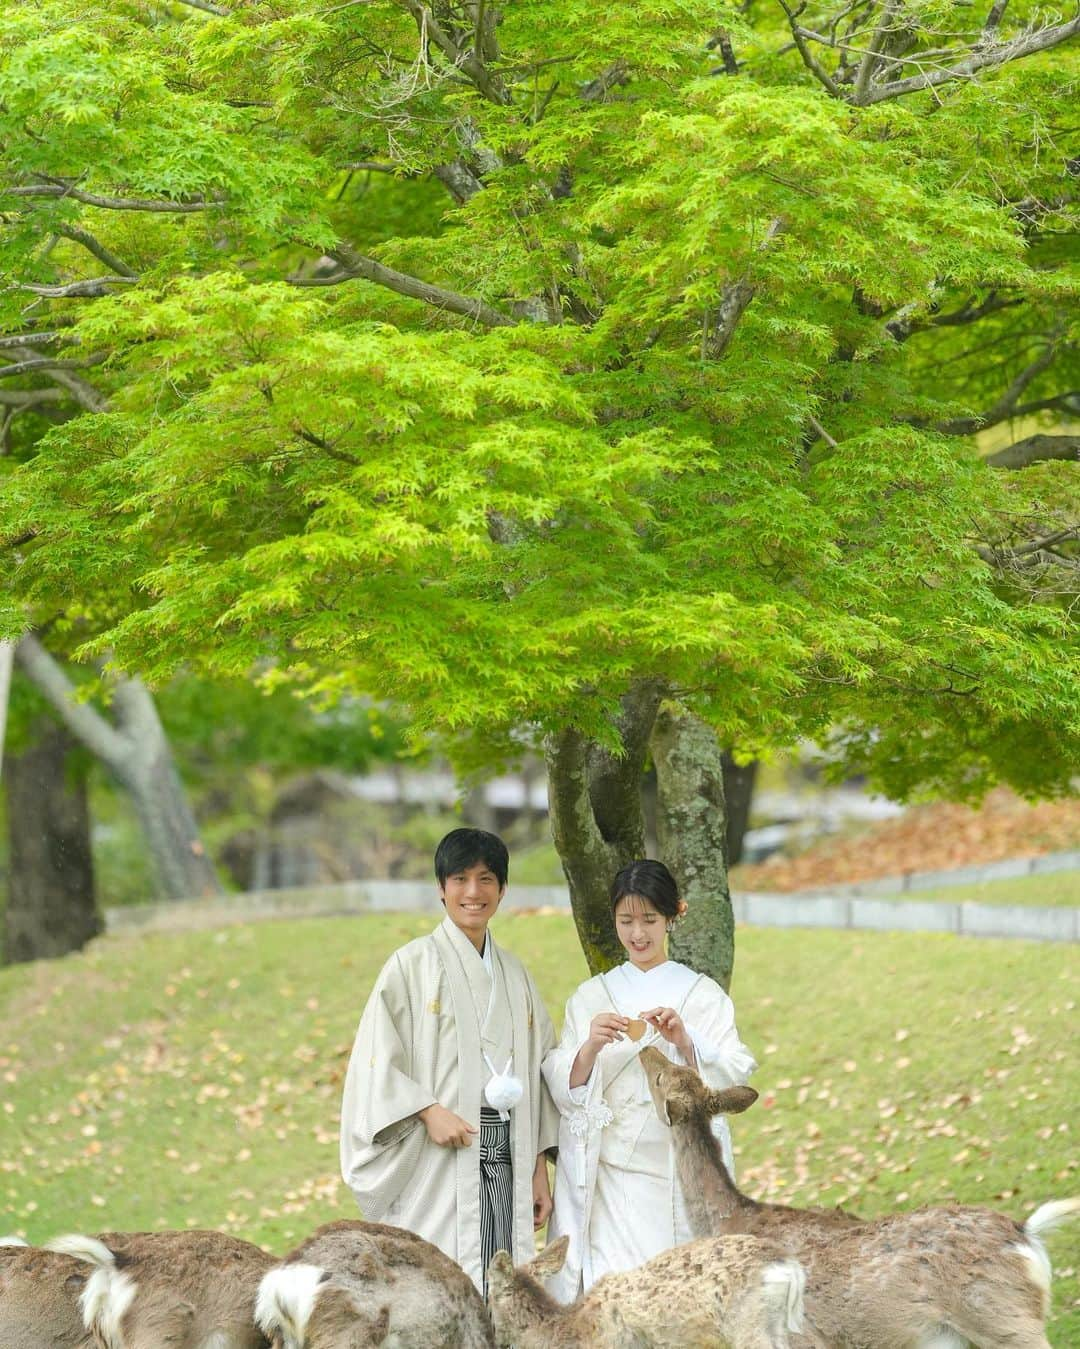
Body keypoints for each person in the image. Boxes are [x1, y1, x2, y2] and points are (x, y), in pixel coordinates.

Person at [339, 827, 559, 1294]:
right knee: (440, 1288)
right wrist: (427, 1109)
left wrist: (538, 1166)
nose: (473, 892)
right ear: (441, 888)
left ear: (502, 889)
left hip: (507, 1155)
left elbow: (540, 1069)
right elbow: (374, 1061)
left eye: (485, 879)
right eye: (459, 879)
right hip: (440, 1154)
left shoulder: (516, 975)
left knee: (503, 1289)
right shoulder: (410, 965)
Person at [542, 858, 757, 1303]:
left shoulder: (700, 994)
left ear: (674, 915)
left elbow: (735, 1069)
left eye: (650, 920)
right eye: (626, 921)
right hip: (609, 1174)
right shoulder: (592, 996)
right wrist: (590, 1047)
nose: (638, 934)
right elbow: (564, 1085)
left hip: (674, 1170)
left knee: (673, 1292)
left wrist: (686, 1040)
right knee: (613, 1293)